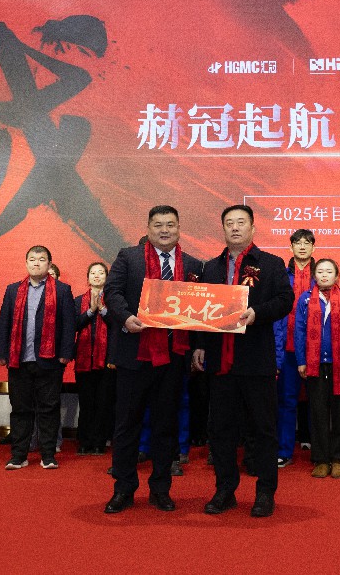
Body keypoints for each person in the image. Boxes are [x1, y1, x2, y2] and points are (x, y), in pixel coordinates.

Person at [103, 205, 203, 514]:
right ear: (148, 228)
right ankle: (123, 489)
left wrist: (198, 346)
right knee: (127, 426)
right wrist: (126, 317)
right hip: (135, 355)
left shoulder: (193, 264)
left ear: (178, 228)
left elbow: (200, 311)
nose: (164, 230)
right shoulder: (128, 257)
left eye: (170, 225)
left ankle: (161, 489)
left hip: (173, 358)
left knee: (166, 426)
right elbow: (112, 292)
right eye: (158, 225)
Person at [195, 204, 293, 517]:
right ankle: (225, 490)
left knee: (263, 429)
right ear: (223, 229)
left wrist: (257, 314)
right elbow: (201, 309)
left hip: (256, 360)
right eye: (229, 223)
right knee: (221, 430)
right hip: (220, 362)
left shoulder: (271, 263)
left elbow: (285, 300)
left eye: (241, 222)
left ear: (252, 228)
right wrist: (200, 345)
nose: (235, 228)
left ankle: (265, 493)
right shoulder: (211, 267)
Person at [0, 245, 75, 470]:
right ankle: (18, 455)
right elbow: (4, 322)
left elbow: (69, 324)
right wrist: (1, 353)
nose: (36, 263)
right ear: (26, 263)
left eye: (41, 259)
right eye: (32, 259)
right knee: (20, 409)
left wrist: (66, 354)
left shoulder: (62, 290)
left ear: (49, 264)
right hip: (19, 360)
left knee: (49, 409)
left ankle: (48, 455)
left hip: (50, 360)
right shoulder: (13, 290)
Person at [295, 258, 340, 479]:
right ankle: (321, 459)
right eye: (320, 271)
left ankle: (338, 459)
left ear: (337, 276)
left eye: (329, 271)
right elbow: (300, 332)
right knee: (318, 411)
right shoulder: (305, 300)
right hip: (315, 363)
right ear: (314, 276)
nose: (324, 275)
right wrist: (301, 360)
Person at [274, 229, 315, 467]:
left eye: (306, 243)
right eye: (297, 243)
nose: (302, 246)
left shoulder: (321, 275)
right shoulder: (281, 275)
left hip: (316, 349)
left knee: (318, 402)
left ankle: (320, 451)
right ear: (291, 247)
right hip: (287, 347)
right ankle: (284, 450)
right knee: (287, 401)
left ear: (313, 248)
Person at [74, 262, 115, 455]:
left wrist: (103, 309)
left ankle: (99, 441)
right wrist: (91, 311)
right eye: (93, 273)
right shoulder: (78, 300)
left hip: (107, 360)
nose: (96, 276)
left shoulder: (113, 300)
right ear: (88, 277)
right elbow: (74, 324)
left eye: (100, 273)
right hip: (84, 359)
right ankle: (85, 441)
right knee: (86, 402)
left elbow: (117, 324)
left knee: (103, 403)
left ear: (107, 277)